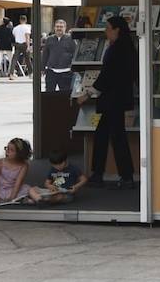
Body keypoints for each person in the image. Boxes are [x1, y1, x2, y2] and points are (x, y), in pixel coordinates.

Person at [80, 15, 136, 190]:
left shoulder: (116, 49)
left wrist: (88, 93)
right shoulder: (128, 47)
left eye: (108, 28)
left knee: (112, 136)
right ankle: (105, 174)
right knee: (107, 135)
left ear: (116, 30)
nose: (106, 32)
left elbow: (107, 76)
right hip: (118, 98)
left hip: (112, 99)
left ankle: (120, 175)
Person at [0, 137, 31, 205]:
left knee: (28, 190)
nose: (7, 151)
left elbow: (18, 183)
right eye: (7, 148)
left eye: (11, 150)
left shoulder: (24, 165)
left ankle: (23, 199)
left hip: (12, 188)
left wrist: (12, 198)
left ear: (19, 153)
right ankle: (21, 200)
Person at [42, 19, 77, 94]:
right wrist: (42, 68)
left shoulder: (71, 40)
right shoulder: (49, 39)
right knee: (49, 94)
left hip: (66, 72)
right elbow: (45, 54)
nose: (59, 28)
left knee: (65, 95)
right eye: (57, 26)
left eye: (61, 27)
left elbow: (75, 54)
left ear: (65, 28)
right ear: (54, 28)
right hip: (51, 71)